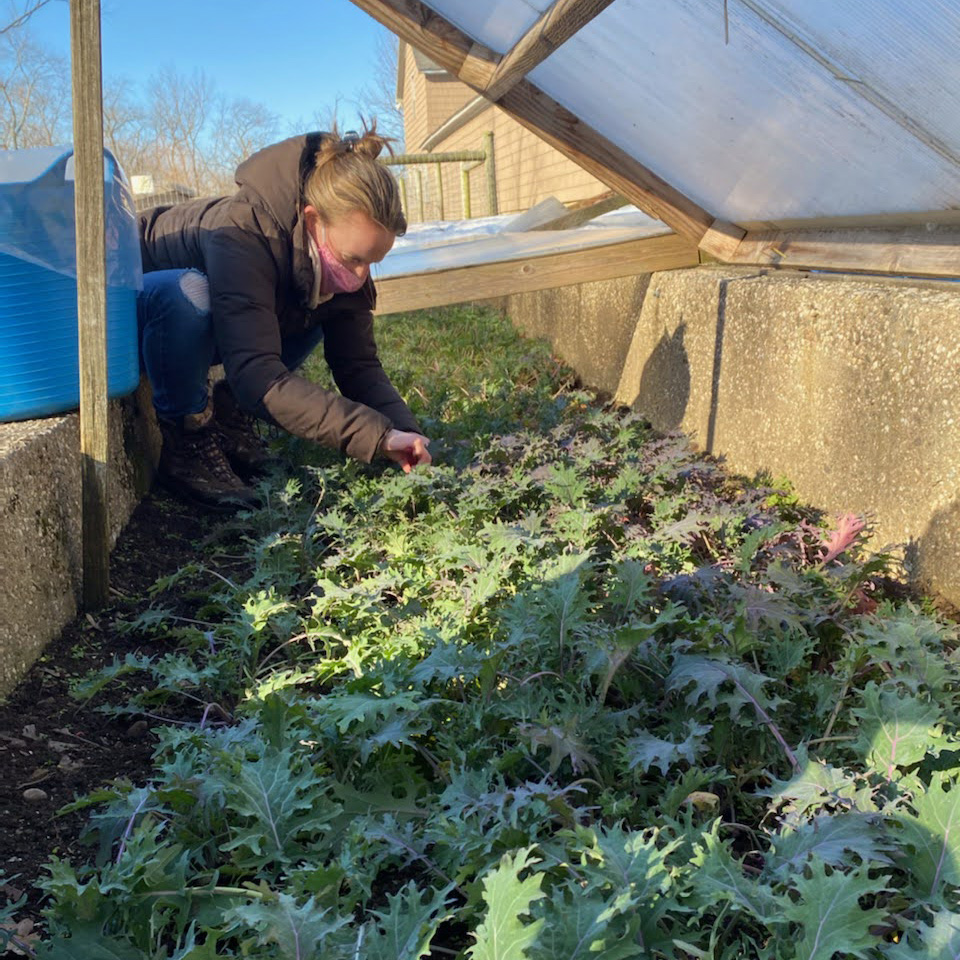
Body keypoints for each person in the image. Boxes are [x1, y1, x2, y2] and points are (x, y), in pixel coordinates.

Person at [136, 125, 432, 511]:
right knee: (187, 292)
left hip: (211, 324)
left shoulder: (332, 251)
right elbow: (258, 378)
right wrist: (374, 436)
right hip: (132, 310)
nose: (361, 276)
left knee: (319, 301)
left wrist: (404, 432)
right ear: (312, 220)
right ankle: (187, 436)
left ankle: (230, 413)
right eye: (354, 260)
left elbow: (358, 365)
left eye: (372, 262)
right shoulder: (242, 233)